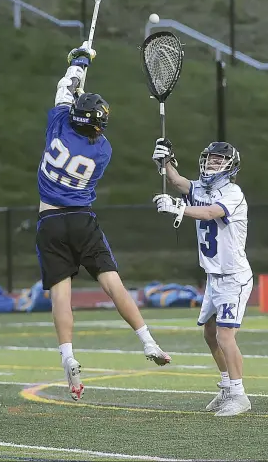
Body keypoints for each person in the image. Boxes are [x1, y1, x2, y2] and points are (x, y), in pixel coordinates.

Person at [36, 43, 171, 401]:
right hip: (82, 220)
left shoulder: (58, 124)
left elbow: (65, 88)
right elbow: (79, 110)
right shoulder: (102, 150)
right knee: (114, 286)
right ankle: (148, 341)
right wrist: (80, 91)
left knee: (61, 296)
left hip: (50, 221)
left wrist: (79, 61)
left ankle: (67, 355)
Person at [152, 139, 253, 417]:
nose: (212, 163)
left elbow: (210, 213)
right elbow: (178, 182)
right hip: (213, 276)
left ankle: (239, 395)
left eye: (219, 160)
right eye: (210, 159)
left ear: (231, 166)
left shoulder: (233, 192)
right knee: (210, 333)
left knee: (225, 336)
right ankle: (225, 386)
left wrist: (178, 209)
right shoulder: (202, 187)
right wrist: (165, 159)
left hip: (233, 276)